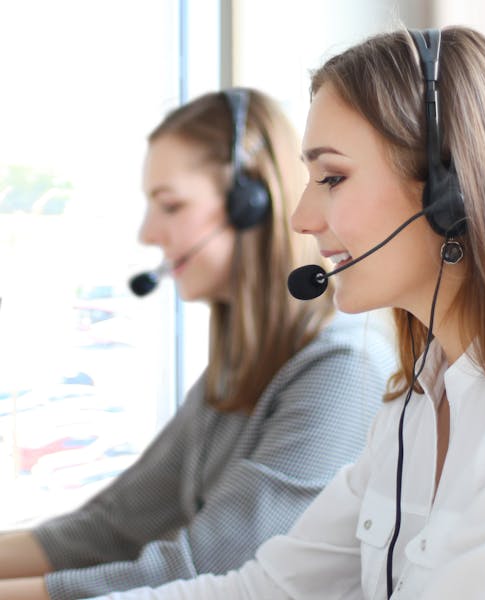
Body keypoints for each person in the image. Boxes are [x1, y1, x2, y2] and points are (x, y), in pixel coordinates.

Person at [77, 25, 485, 600]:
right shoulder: (412, 405)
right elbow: (267, 589)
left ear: (448, 190)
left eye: (332, 178)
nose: (301, 218)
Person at [0, 88, 396, 599]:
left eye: (170, 205)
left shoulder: (343, 368)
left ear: (249, 204)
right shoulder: (240, 370)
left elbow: (204, 567)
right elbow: (112, 526)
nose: (147, 233)